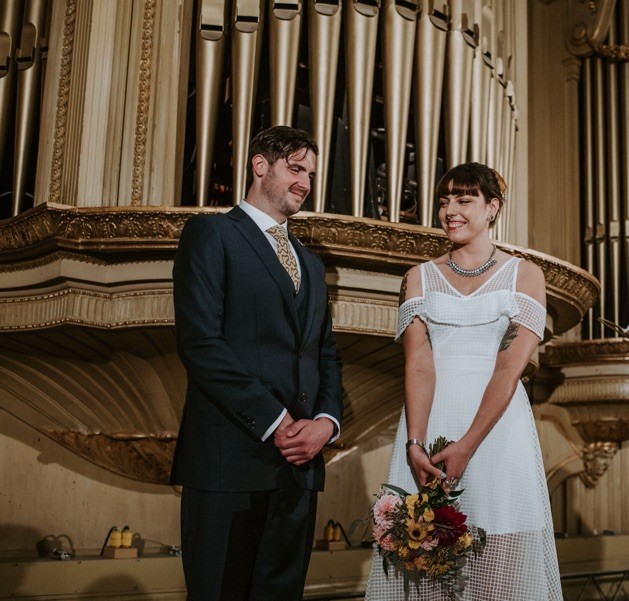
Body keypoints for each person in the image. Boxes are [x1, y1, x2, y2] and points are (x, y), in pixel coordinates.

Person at [365, 162, 563, 600]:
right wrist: (415, 445)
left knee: (499, 574)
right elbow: (418, 363)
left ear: (492, 207)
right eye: (444, 201)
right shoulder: (418, 277)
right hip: (429, 431)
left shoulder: (525, 275)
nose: (450, 210)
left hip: (496, 432)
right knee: (427, 574)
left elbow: (508, 369)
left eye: (464, 199)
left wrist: (469, 443)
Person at [170, 126, 343, 600]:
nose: (306, 181)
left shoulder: (309, 263)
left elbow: (325, 353)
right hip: (230, 460)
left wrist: (326, 423)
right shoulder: (212, 234)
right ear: (260, 165)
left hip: (299, 468)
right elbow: (201, 343)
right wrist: (276, 420)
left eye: (311, 171)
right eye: (295, 167)